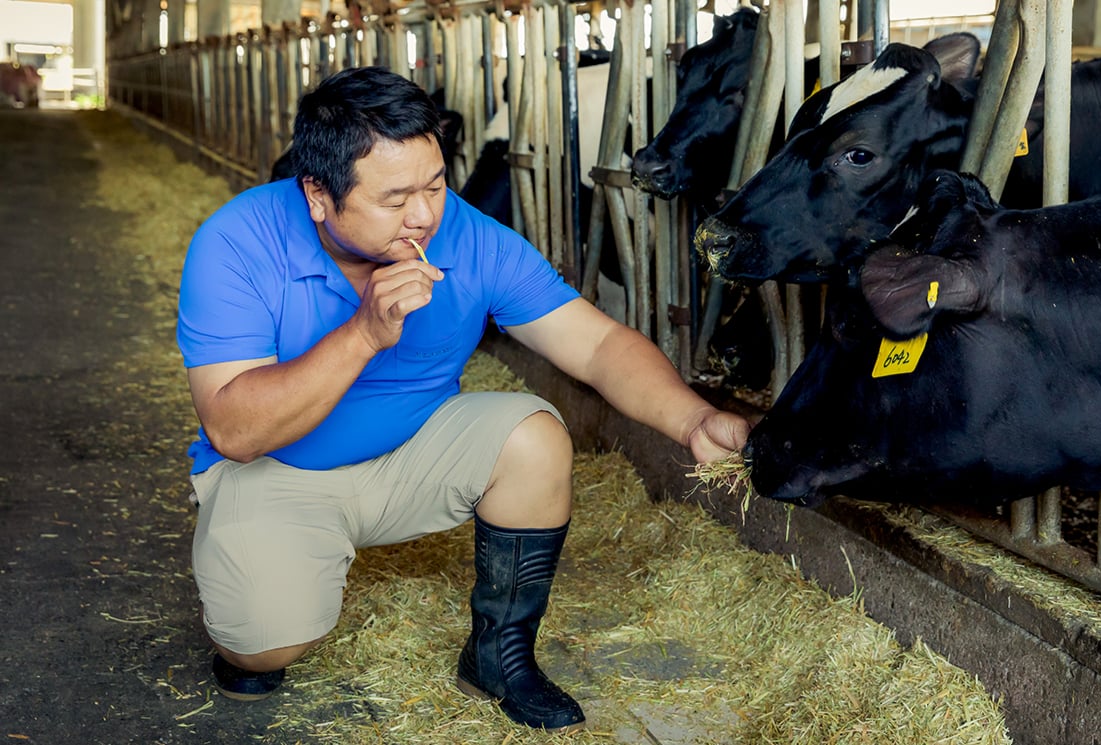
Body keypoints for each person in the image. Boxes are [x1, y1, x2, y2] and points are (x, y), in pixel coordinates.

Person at [175, 65, 749, 733]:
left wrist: (693, 419)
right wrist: (364, 333)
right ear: (317, 194)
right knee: (262, 644)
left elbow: (595, 347)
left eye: (436, 183)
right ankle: (255, 590)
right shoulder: (236, 241)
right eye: (395, 197)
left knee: (533, 432)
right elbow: (235, 431)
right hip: (275, 467)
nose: (425, 214)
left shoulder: (473, 238)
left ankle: (498, 656)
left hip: (409, 454)